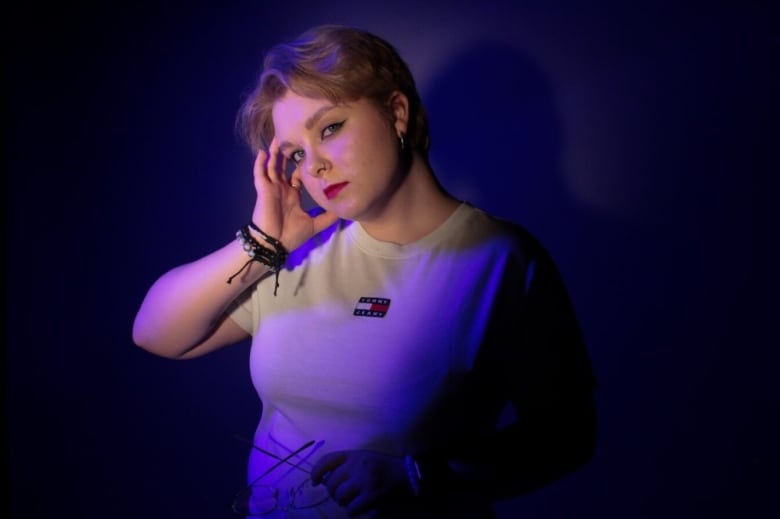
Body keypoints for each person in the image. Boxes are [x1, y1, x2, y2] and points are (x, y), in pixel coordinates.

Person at [132, 24, 597, 518]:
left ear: (396, 112)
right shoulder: (296, 254)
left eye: (330, 128)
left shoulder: (500, 260)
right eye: (295, 155)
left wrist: (417, 475)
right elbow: (157, 334)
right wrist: (263, 243)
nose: (316, 168)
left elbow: (566, 438)